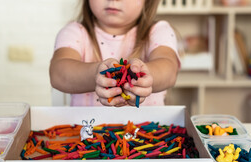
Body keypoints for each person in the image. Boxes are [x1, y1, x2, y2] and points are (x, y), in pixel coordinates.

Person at [50, 0, 180, 107]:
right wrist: (97, 74)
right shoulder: (74, 32)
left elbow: (169, 70)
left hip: (149, 133)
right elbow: (58, 74)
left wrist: (142, 76)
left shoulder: (158, 31)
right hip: (89, 133)